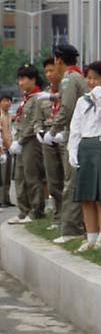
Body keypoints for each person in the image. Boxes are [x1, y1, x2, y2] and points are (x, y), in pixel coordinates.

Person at [68, 61, 101, 252]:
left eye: (96, 78)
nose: (92, 81)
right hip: (86, 146)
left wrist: (99, 100)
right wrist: (73, 149)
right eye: (89, 77)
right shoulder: (82, 100)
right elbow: (76, 126)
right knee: (86, 195)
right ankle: (91, 236)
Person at [48, 44, 87, 244]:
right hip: (79, 133)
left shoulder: (69, 79)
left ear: (59, 60)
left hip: (76, 135)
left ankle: (72, 229)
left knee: (70, 182)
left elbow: (67, 108)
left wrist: (53, 131)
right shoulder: (77, 77)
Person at [9, 64, 50, 223]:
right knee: (19, 177)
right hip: (21, 142)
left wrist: (21, 140)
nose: (20, 83)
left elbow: (35, 123)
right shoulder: (25, 99)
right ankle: (23, 211)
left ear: (33, 79)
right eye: (19, 79)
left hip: (31, 143)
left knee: (32, 176)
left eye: (23, 79)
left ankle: (36, 211)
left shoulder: (40, 98)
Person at [40, 57, 65, 227]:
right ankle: (58, 217)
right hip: (48, 138)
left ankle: (70, 218)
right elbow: (37, 116)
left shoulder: (65, 90)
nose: (50, 74)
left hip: (63, 136)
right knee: (53, 180)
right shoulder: (44, 94)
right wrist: (38, 131)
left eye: (52, 70)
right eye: (47, 71)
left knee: (68, 179)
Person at [0, 92, 13, 208]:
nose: (7, 103)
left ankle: (6, 199)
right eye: (5, 100)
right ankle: (1, 200)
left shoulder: (9, 115)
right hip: (1, 150)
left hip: (9, 148)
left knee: (8, 176)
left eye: (9, 100)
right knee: (1, 176)